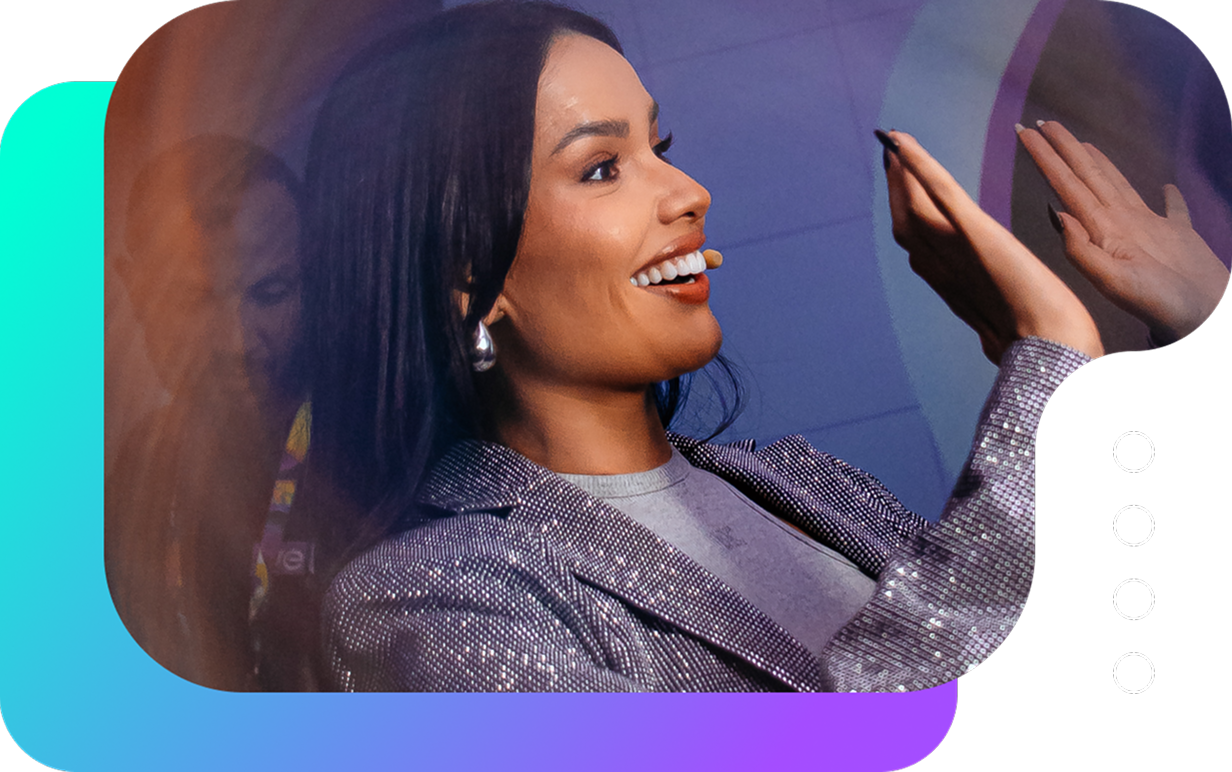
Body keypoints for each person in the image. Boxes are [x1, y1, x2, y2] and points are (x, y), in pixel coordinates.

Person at [302, 1, 1215, 692]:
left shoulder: (802, 485)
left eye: (661, 145)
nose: (688, 191)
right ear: (469, 279)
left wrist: (1194, 336)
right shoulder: (435, 598)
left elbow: (1109, 645)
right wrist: (1048, 379)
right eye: (602, 168)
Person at [106, 135, 307, 690]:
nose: (234, 342)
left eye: (269, 292)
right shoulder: (138, 466)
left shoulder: (376, 457)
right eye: (193, 300)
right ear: (136, 291)